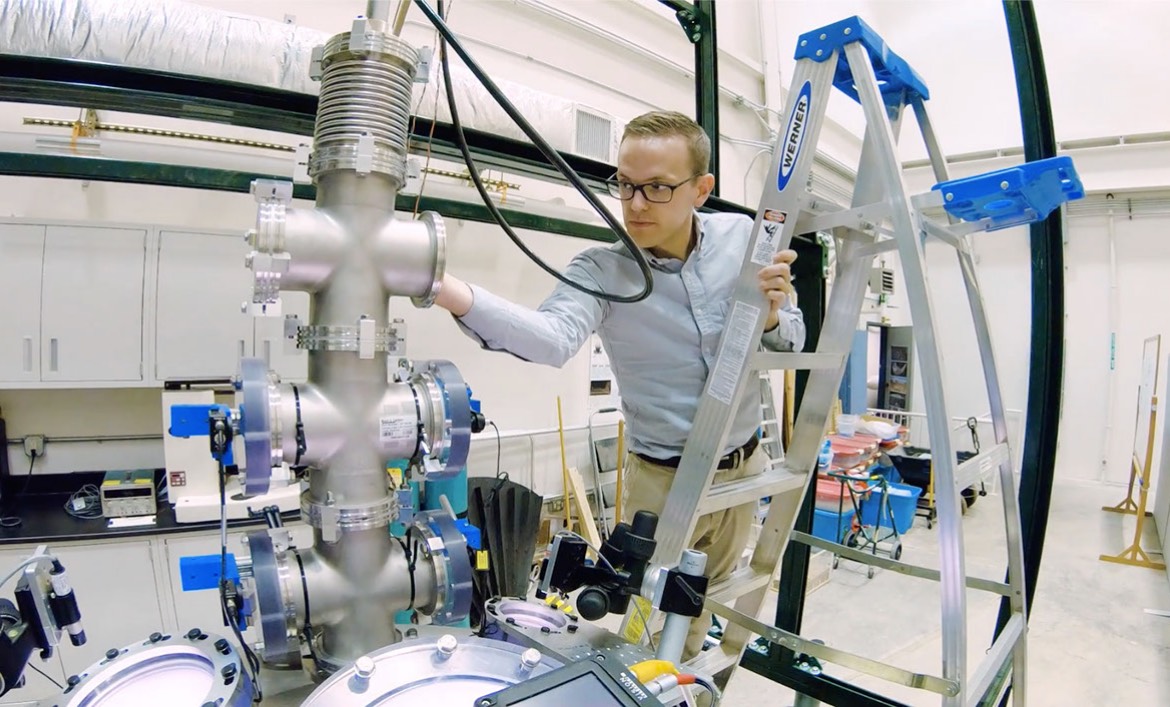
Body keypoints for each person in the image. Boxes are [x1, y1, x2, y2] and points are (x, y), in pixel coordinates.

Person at [434, 110, 806, 659]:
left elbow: (794, 341)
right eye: (625, 185)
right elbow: (551, 337)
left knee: (714, 614)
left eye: (656, 187)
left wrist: (774, 317)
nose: (634, 205)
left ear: (701, 189)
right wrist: (441, 286)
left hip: (743, 471)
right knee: (647, 633)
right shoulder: (603, 272)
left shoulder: (746, 241)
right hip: (662, 482)